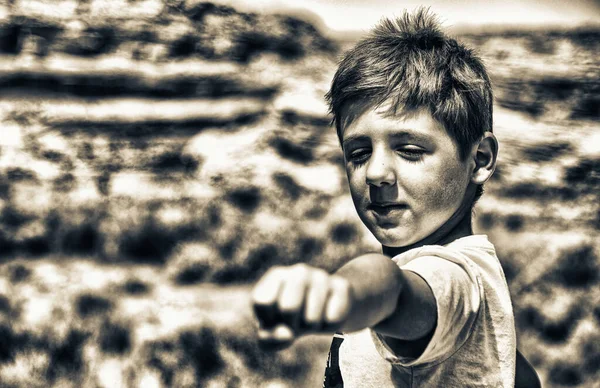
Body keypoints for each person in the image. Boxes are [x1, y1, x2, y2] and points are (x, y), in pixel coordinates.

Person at [251, 8, 539, 387]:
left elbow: (393, 288)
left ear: (480, 159)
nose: (375, 172)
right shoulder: (475, 289)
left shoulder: (453, 276)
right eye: (358, 153)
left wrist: (342, 293)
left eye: (409, 150)